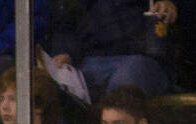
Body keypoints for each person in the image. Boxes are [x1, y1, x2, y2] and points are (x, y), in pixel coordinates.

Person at [49, 0, 178, 100]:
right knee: (53, 91)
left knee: (125, 82)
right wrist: (65, 52)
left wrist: (172, 5)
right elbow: (63, 24)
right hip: (87, 60)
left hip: (142, 59)